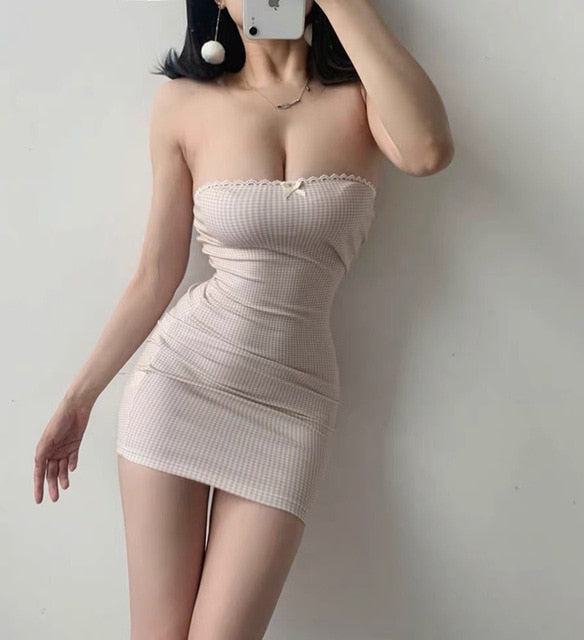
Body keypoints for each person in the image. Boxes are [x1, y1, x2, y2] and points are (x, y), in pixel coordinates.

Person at [33, 1, 454, 638]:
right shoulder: (184, 105)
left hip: (293, 407)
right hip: (182, 385)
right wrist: (78, 400)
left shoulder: (363, 101)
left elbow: (428, 152)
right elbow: (155, 275)